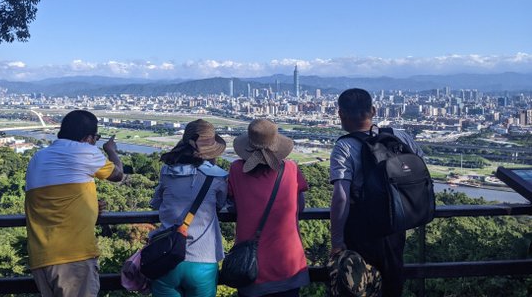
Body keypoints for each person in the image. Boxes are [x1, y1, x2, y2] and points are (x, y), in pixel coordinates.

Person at [329, 88, 425, 297]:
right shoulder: (399, 136)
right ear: (373, 110)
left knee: (358, 287)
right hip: (396, 227)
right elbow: (420, 170)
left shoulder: (344, 147)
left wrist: (336, 241)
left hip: (361, 231)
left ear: (341, 114)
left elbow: (341, 196)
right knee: (392, 285)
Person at [25, 110, 124, 297]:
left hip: (41, 258)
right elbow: (118, 175)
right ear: (88, 138)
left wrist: (91, 207)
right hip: (72, 258)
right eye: (96, 138)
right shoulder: (84, 151)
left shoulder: (38, 157)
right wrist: (111, 150)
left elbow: (55, 202)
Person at [228, 118, 310, 297]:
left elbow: (232, 203)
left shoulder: (236, 169)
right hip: (288, 263)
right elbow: (300, 206)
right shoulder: (290, 168)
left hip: (251, 265)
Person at [150, 119, 229, 297]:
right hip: (204, 257)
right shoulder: (218, 177)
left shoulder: (167, 171)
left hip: (166, 256)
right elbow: (220, 204)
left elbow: (156, 202)